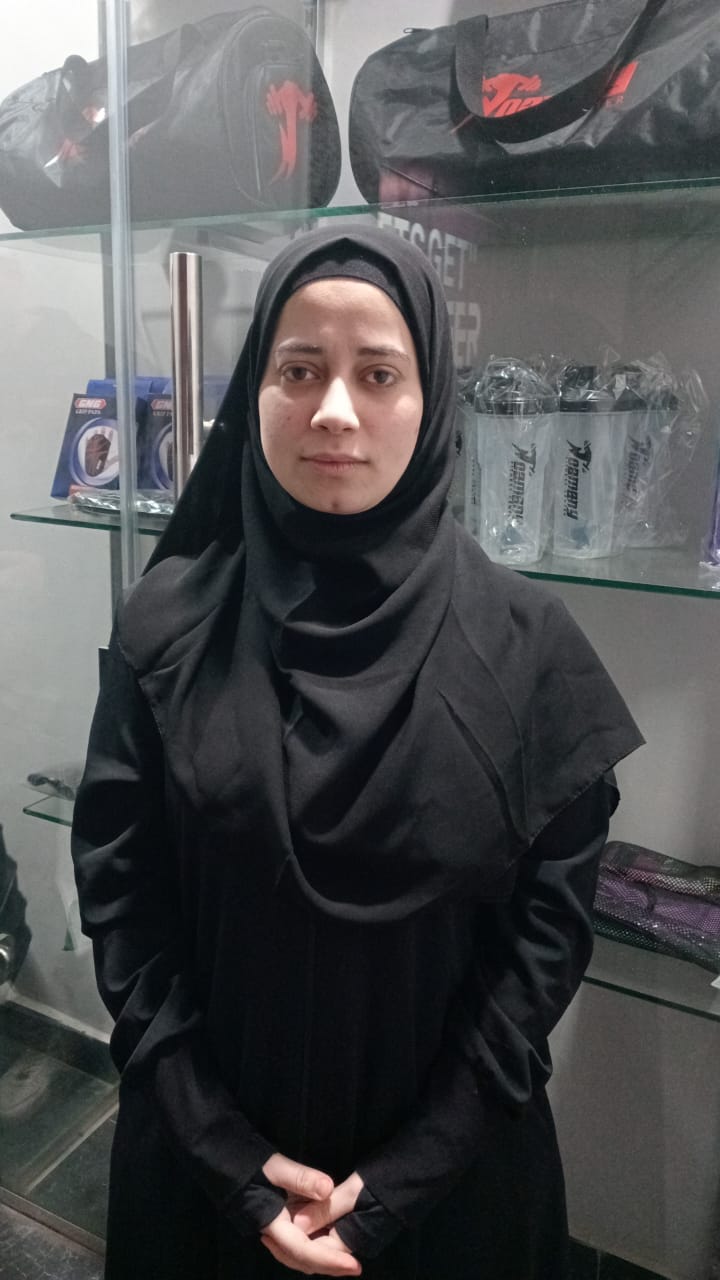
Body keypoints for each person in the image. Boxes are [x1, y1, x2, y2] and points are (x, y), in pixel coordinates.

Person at [71, 226, 643, 1280]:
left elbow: (541, 956)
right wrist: (231, 1161)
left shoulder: (530, 655)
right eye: (299, 370)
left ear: (431, 401)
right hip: (204, 1181)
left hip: (453, 1194)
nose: (335, 409)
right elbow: (124, 908)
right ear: (256, 393)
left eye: (378, 373)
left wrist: (398, 1188)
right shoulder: (166, 628)